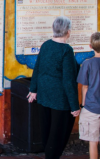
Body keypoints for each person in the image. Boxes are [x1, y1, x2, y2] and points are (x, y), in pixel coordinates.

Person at [28, 16, 80, 159]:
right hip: (60, 99)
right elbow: (68, 80)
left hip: (44, 95)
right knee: (58, 135)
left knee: (46, 132)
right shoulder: (66, 50)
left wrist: (33, 89)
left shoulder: (46, 45)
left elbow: (37, 68)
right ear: (68, 32)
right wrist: (75, 105)